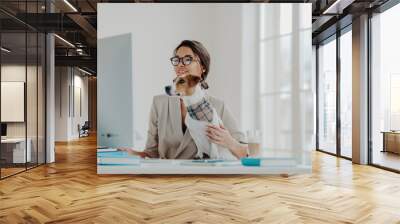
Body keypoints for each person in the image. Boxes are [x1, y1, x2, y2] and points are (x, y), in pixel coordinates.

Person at [122, 40, 248, 159]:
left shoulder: (218, 106)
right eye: (177, 60)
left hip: (202, 179)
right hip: (166, 178)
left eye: (188, 59)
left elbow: (245, 154)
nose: (180, 64)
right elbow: (151, 153)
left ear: (203, 67)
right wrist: (130, 153)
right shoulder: (159, 103)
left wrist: (229, 142)